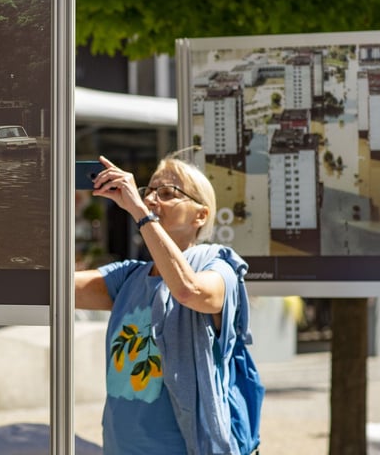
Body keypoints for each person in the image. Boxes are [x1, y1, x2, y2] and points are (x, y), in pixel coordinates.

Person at [75, 153, 254, 454]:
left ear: (201, 215)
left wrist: (140, 211)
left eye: (169, 193)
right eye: (149, 192)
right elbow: (56, 288)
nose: (153, 199)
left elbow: (188, 290)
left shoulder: (220, 264)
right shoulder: (130, 277)